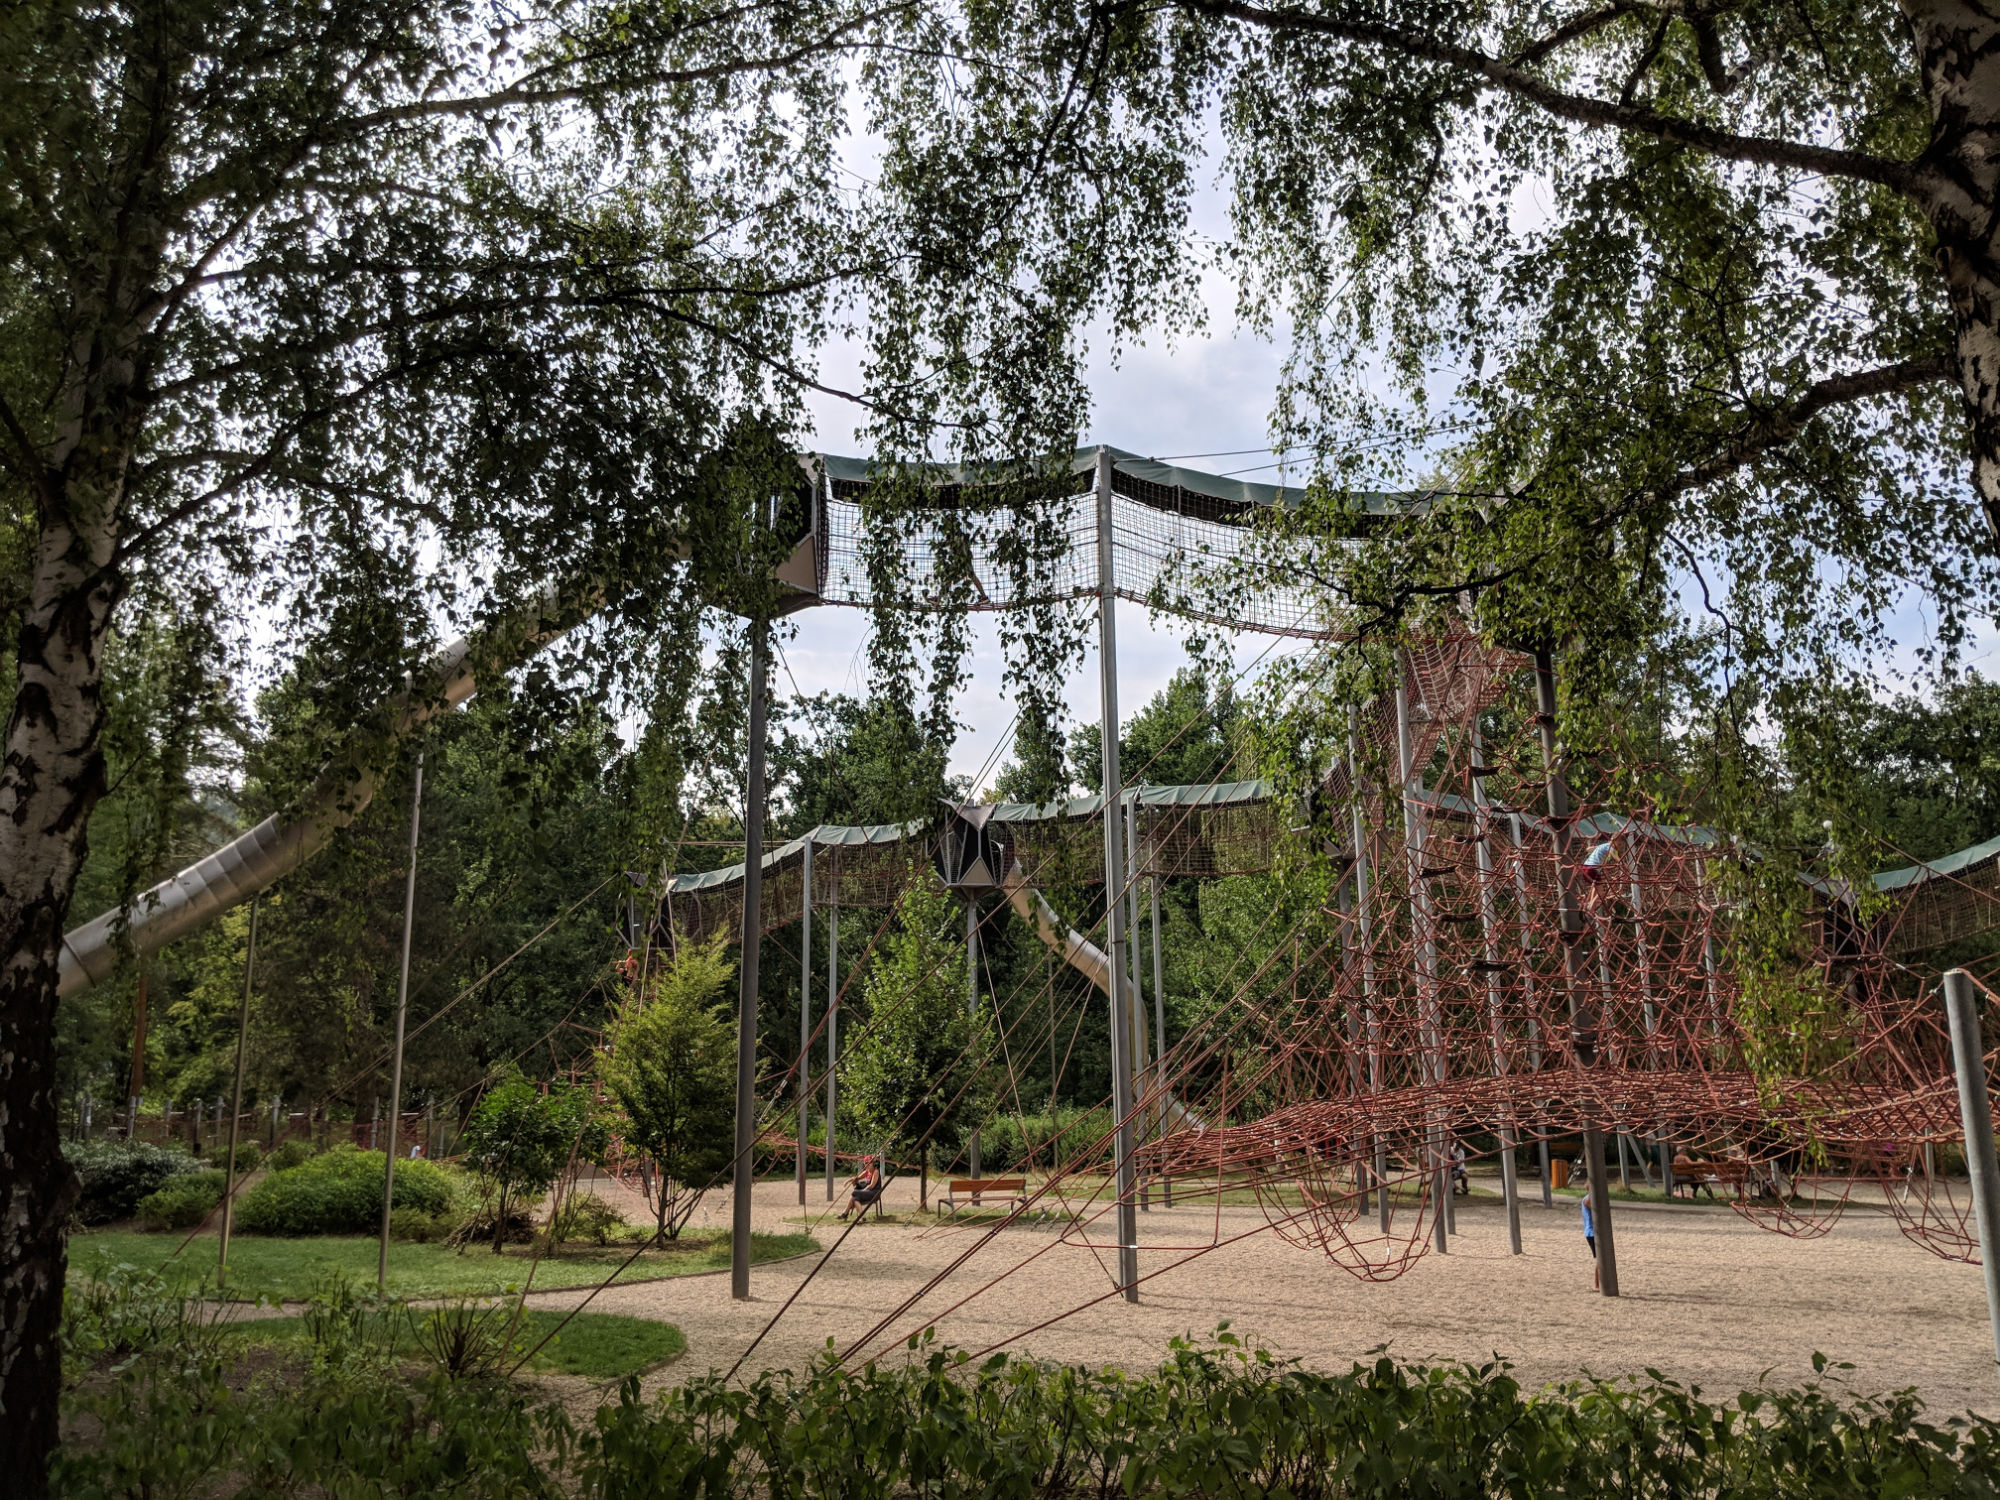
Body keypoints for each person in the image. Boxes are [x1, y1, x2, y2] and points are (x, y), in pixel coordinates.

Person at [840, 1155, 884, 1222]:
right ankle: (861, 1218)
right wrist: (848, 1181)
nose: (868, 1165)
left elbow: (872, 1185)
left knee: (855, 1193)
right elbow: (857, 1178)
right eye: (866, 1163)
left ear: (873, 1163)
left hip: (874, 1193)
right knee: (855, 1198)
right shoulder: (867, 1172)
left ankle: (845, 1213)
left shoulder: (876, 1171)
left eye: (869, 1163)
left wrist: (862, 1191)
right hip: (868, 1192)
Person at [1581, 1189, 1599, 1289]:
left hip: (1593, 1232)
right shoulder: (1588, 1199)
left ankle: (1599, 1284)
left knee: (1601, 1259)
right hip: (1592, 1233)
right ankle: (1597, 1284)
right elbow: (1597, 1209)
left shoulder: (1589, 1198)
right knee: (1600, 1259)